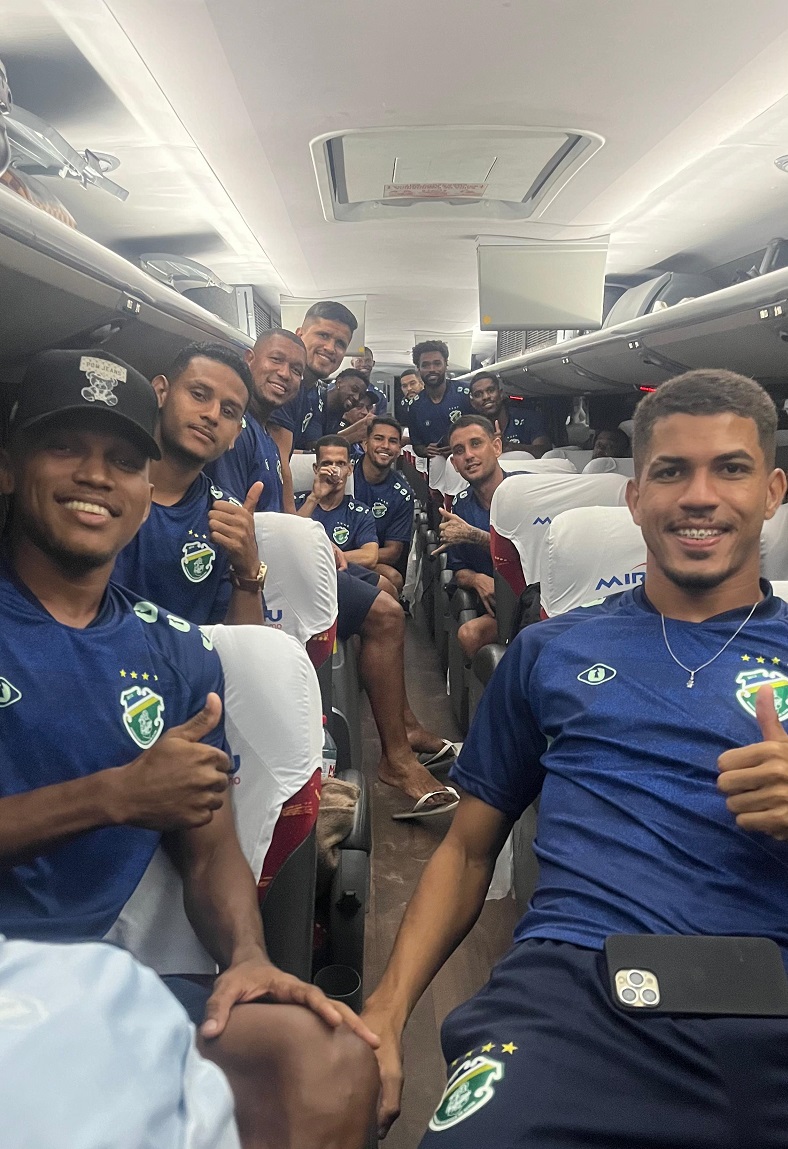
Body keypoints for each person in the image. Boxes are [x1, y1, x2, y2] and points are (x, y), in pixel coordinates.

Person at [363, 368, 788, 1148]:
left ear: (772, 492)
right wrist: (385, 1013)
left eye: (730, 469)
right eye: (671, 471)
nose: (700, 496)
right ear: (635, 497)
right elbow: (468, 850)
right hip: (574, 987)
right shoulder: (550, 651)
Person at [0, 349, 379, 1149]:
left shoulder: (175, 650)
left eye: (123, 459)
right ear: (10, 466)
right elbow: (131, 796)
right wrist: (111, 796)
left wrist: (247, 953)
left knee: (332, 1061)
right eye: (65, 447)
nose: (96, 475)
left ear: (146, 493)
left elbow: (208, 849)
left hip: (108, 983)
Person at [113, 343, 266, 626]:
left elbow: (244, 642)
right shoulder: (102, 482)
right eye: (199, 395)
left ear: (236, 434)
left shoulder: (226, 518)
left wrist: (247, 570)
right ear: (161, 392)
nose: (212, 415)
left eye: (228, 411)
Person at [268, 301, 357, 512]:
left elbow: (313, 446)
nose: (330, 348)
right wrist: (292, 522)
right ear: (299, 334)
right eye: (323, 335)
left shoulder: (315, 393)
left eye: (340, 343)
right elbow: (280, 463)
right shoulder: (284, 386)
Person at [207, 328, 306, 512]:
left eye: (296, 370)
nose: (285, 374)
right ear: (249, 359)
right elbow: (226, 516)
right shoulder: (236, 429)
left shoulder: (267, 439)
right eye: (276, 359)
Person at [433, 416, 507, 661]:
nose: (468, 455)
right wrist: (476, 579)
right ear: (454, 464)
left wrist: (474, 536)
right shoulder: (461, 507)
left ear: (496, 447)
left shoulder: (526, 491)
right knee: (469, 634)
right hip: (499, 611)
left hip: (536, 601)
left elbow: (531, 555)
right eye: (459, 451)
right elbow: (458, 570)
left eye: (476, 444)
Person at [296, 435, 379, 573]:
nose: (334, 470)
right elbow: (289, 540)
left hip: (342, 574)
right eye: (327, 464)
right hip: (302, 572)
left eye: (340, 464)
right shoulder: (296, 503)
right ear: (316, 468)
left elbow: (370, 556)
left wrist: (326, 557)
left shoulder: (360, 512)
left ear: (349, 469)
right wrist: (314, 497)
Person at [352, 416, 414, 593]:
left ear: (399, 449)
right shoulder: (345, 470)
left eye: (393, 441)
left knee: (393, 578)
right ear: (365, 444)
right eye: (379, 438)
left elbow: (393, 552)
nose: (385, 446)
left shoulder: (402, 494)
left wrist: (349, 557)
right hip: (329, 552)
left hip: (367, 561)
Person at [407, 340, 471, 458]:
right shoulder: (415, 406)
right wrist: (425, 450)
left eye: (437, 363)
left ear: (446, 364)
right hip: (436, 463)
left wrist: (459, 446)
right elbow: (417, 445)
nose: (432, 369)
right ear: (418, 369)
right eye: (425, 365)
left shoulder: (466, 393)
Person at [469, 372, 551, 456]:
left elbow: (543, 451)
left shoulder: (529, 417)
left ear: (501, 394)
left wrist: (507, 446)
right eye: (478, 394)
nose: (486, 397)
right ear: (473, 403)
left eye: (491, 390)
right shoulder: (472, 431)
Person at [323, 367, 371, 437]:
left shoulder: (338, 412)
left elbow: (329, 439)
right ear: (339, 383)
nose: (356, 398)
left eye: (361, 396)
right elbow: (314, 442)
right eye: (354, 389)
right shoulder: (314, 402)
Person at [350, 345, 388, 414]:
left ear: (373, 363)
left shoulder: (379, 396)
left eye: (367, 360)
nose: (364, 364)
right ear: (352, 363)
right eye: (359, 361)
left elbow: (380, 419)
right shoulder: (339, 389)